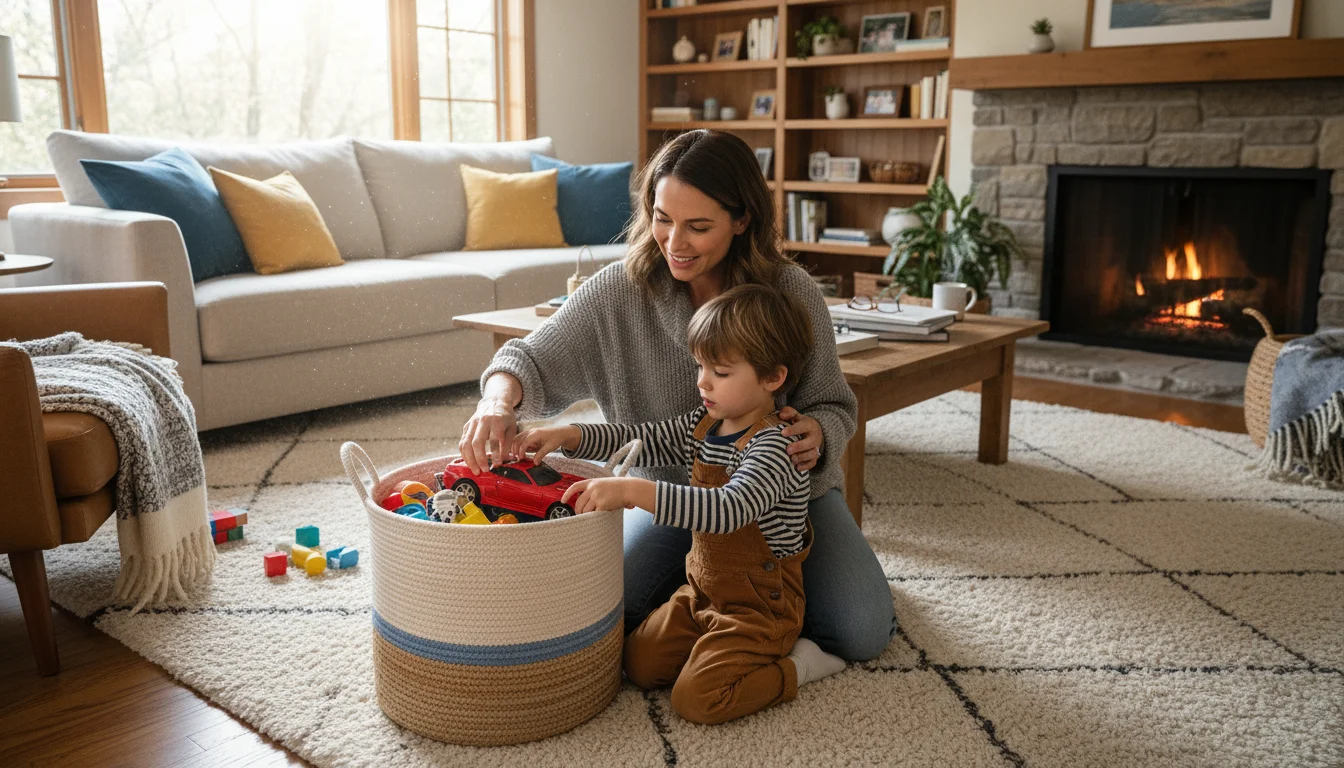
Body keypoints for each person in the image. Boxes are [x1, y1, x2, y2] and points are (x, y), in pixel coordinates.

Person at [459, 129, 894, 662]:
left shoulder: (791, 292)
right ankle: (718, 600)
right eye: (662, 218)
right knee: (591, 616)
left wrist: (821, 430)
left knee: (861, 632)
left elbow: (833, 402)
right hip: (665, 498)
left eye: (699, 226)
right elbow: (526, 359)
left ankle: (746, 611)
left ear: (742, 220)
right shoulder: (618, 289)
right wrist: (496, 405)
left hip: (782, 507)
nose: (675, 242)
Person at [512, 284, 847, 724]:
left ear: (773, 378)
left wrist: (634, 491)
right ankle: (712, 647)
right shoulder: (706, 422)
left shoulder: (776, 447)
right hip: (702, 593)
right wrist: (571, 436)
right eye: (700, 366)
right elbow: (642, 438)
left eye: (720, 373)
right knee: (637, 664)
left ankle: (798, 664)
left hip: (760, 609)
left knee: (696, 701)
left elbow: (728, 508)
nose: (703, 382)